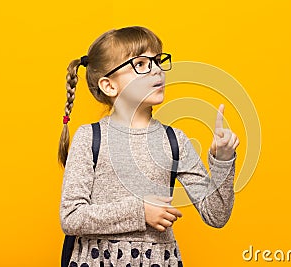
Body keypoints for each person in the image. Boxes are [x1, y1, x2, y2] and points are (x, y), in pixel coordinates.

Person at [58, 26, 239, 267]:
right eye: (141, 64)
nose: (156, 70)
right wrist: (140, 212)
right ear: (109, 86)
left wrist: (223, 160)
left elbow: (216, 215)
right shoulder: (89, 138)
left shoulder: (175, 140)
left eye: (157, 61)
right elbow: (71, 217)